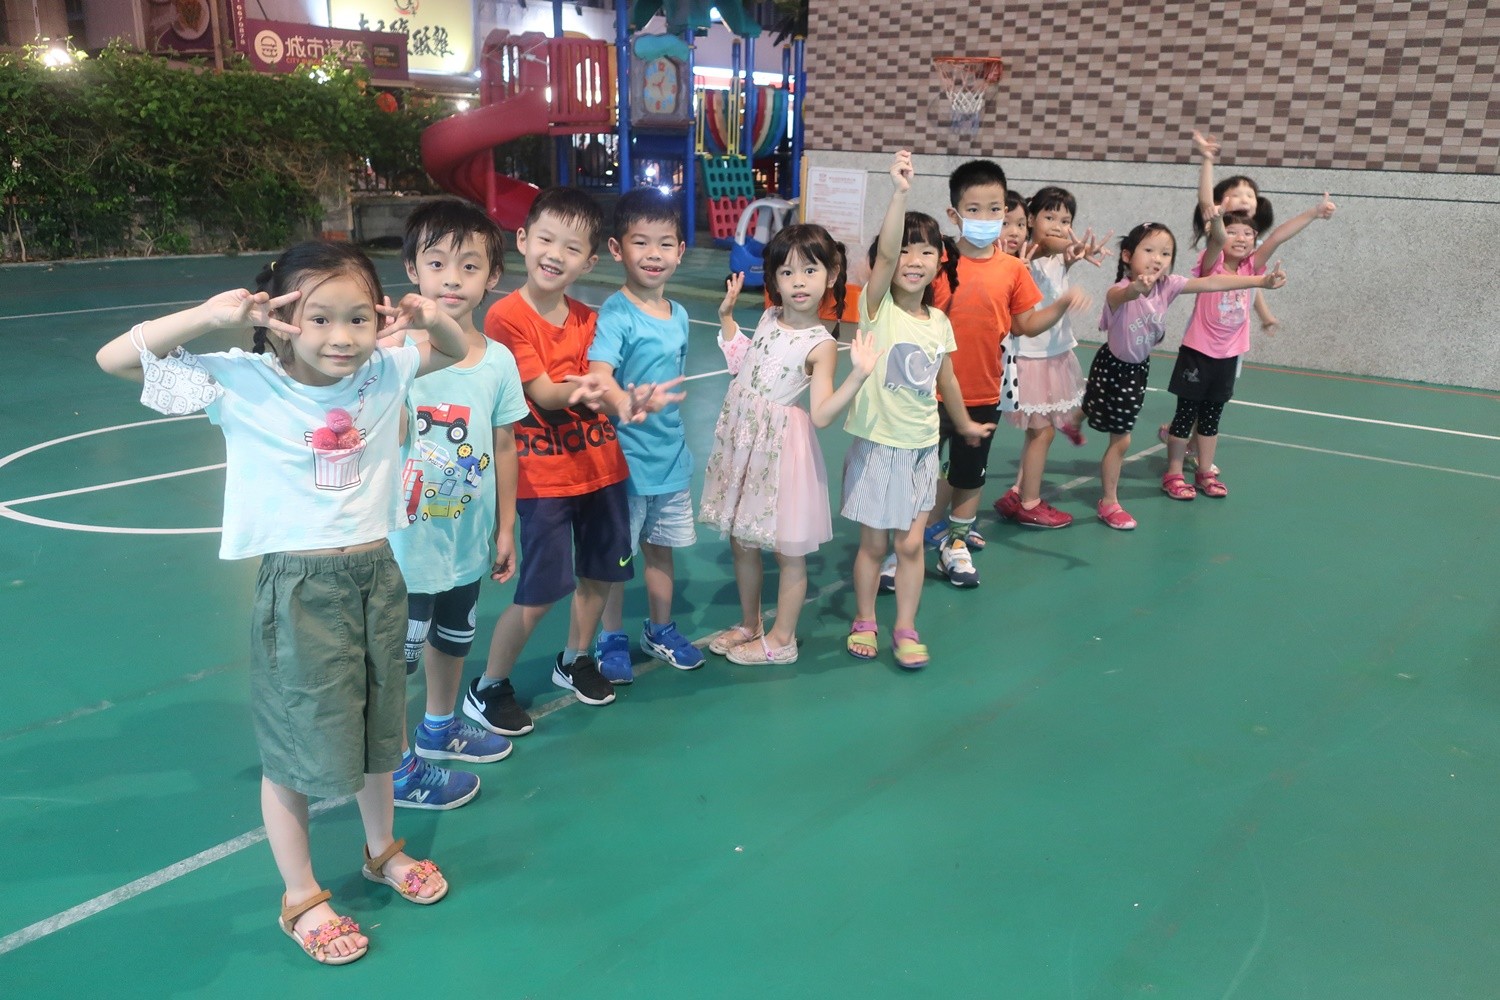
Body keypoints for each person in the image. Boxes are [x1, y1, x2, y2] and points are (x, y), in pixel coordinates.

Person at [96, 242, 466, 965]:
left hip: (378, 575)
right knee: (295, 749)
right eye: (319, 317)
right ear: (281, 318)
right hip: (299, 588)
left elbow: (454, 348)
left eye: (358, 317)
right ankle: (301, 896)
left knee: (380, 731)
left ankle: (382, 850)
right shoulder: (241, 381)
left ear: (380, 318)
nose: (341, 336)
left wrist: (430, 317)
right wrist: (212, 316)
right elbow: (116, 360)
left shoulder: (387, 368)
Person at [464, 187, 668, 736]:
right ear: (523, 240)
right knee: (540, 591)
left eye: (572, 247)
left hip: (602, 471)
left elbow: (607, 385)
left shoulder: (589, 319)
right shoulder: (506, 316)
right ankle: (489, 686)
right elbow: (546, 394)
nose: (555, 255)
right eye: (546, 240)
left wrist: (628, 400)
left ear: (590, 261)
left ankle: (575, 659)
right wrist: (596, 389)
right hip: (543, 479)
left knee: (599, 575)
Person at [387, 198, 528, 810]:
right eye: (437, 262)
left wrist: (506, 527)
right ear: (412, 270)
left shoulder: (498, 361)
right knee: (394, 663)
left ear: (492, 276)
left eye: (469, 266)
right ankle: (396, 767)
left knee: (453, 639)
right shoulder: (397, 353)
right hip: (403, 547)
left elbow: (505, 444)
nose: (452, 278)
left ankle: (439, 728)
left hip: (466, 539)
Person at [699, 223, 878, 664]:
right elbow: (745, 365)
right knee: (742, 540)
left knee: (786, 550)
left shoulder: (821, 344)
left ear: (831, 275)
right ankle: (750, 623)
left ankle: (782, 640)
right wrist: (726, 318)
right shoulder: (767, 317)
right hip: (745, 442)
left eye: (810, 270)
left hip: (779, 450)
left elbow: (822, 413)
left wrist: (858, 375)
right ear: (774, 280)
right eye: (787, 272)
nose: (798, 281)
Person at [843, 151, 994, 668]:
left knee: (909, 547)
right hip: (877, 444)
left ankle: (905, 627)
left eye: (926, 251)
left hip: (920, 449)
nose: (913, 259)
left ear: (939, 262)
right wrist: (900, 192)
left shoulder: (938, 322)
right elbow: (885, 257)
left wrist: (965, 421)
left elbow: (945, 378)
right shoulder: (876, 306)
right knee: (872, 546)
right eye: (906, 250)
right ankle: (865, 618)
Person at [928, 160, 1086, 588]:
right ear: (954, 214)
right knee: (920, 473)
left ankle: (956, 543)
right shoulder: (937, 261)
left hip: (983, 392)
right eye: (973, 209)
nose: (986, 217)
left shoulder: (1013, 269)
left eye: (994, 208)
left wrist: (1061, 303)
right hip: (929, 392)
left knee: (969, 474)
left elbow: (1024, 324)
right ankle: (904, 544)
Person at [1082, 222, 1286, 528]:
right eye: (1149, 250)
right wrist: (1137, 289)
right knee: (1116, 434)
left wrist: (1261, 281)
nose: (1158, 258)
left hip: (1137, 370)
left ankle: (1085, 433)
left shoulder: (1169, 285)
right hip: (1112, 366)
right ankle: (1109, 501)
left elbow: (1212, 283)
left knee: (1116, 433)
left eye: (1166, 253)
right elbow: (1123, 295)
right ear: (1127, 255)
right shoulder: (1118, 290)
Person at [588, 188, 702, 683]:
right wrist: (624, 401)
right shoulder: (616, 313)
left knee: (660, 548)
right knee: (617, 559)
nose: (654, 254)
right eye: (641, 242)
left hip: (669, 459)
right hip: (625, 462)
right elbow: (599, 376)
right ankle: (610, 636)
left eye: (665, 243)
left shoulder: (679, 315)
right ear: (617, 249)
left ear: (680, 250)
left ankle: (659, 629)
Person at [1161, 181, 1335, 500]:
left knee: (1211, 418)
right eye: (1233, 233)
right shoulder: (1211, 264)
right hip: (1198, 353)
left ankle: (1204, 471)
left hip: (1228, 356)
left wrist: (1314, 212)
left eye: (1248, 234)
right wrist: (1218, 219)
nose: (1241, 238)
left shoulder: (1251, 266)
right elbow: (1217, 239)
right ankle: (1173, 473)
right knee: (1185, 417)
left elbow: (1278, 235)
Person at [990, 187, 1108, 530]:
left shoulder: (1058, 256)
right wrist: (1069, 246)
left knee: (1039, 432)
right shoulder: (1026, 254)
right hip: (1031, 358)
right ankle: (1030, 503)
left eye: (1065, 220)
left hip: (1054, 355)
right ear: (1031, 219)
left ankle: (1017, 492)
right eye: (1050, 217)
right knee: (1042, 433)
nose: (1058, 225)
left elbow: (1061, 251)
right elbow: (1047, 246)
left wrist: (1078, 252)